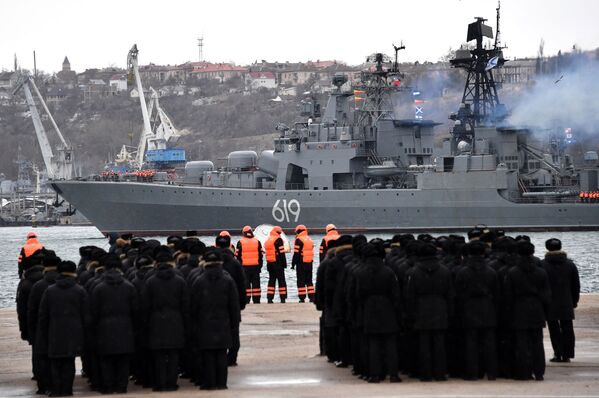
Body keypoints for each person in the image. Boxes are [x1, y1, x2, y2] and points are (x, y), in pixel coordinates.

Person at [38, 260, 89, 397]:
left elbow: (43, 316)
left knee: (55, 362)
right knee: (69, 362)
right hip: (74, 331)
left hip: (54, 331)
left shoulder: (50, 291)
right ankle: (67, 390)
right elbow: (86, 315)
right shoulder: (80, 290)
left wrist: (42, 334)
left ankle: (56, 390)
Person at [191, 249, 240, 390]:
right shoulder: (228, 280)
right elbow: (234, 305)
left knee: (208, 355)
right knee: (221, 354)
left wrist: (194, 325)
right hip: (223, 322)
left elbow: (194, 305)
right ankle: (222, 383)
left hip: (205, 322)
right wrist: (234, 324)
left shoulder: (199, 281)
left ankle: (209, 383)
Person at [142, 247, 189, 392]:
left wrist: (145, 324)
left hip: (156, 321)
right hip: (175, 320)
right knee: (174, 355)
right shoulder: (180, 281)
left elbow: (145, 306)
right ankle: (171, 383)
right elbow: (186, 305)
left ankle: (160, 383)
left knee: (159, 355)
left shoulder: (150, 281)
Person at [90, 254, 138, 394]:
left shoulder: (98, 287)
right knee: (123, 361)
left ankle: (108, 386)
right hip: (125, 328)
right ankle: (122, 387)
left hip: (104, 328)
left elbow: (94, 311)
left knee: (106, 360)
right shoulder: (129, 286)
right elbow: (135, 310)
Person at [406, 242, 454, 381]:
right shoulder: (445, 271)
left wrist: (411, 314)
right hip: (440, 307)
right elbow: (450, 294)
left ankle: (425, 373)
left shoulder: (413, 272)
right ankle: (440, 373)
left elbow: (410, 295)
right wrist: (450, 312)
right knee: (439, 344)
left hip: (421, 309)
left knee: (424, 344)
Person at [504, 241, 551, 381]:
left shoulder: (512, 272)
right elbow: (547, 295)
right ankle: (539, 372)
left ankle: (523, 372)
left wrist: (509, 312)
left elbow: (508, 296)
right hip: (536, 308)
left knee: (521, 344)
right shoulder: (541, 272)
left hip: (519, 309)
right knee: (538, 343)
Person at [355, 243, 401, 383]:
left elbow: (358, 295)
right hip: (387, 309)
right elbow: (395, 295)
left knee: (373, 344)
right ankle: (393, 374)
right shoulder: (388, 272)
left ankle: (374, 374)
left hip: (369, 309)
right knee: (390, 344)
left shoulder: (361, 272)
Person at [455, 241, 499, 380]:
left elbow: (458, 293)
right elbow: (497, 294)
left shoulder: (462, 272)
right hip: (488, 308)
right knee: (489, 343)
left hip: (469, 309)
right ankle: (491, 372)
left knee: (471, 343)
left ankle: (472, 373)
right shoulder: (491, 271)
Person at [26, 253, 61, 395]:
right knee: (63, 359)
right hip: (63, 326)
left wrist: (29, 329)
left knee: (43, 358)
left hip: (43, 326)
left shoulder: (36, 285)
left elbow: (31, 310)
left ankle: (45, 386)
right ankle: (64, 387)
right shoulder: (65, 283)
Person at [541, 238, 580, 363]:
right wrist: (574, 300)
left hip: (549, 301)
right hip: (566, 300)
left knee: (554, 329)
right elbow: (576, 285)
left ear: (547, 248)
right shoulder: (570, 264)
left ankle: (558, 353)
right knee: (568, 327)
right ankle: (567, 354)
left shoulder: (542, 264)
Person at [216, 235, 246, 366]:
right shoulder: (235, 263)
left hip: (215, 304)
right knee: (234, 331)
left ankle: (217, 356)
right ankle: (232, 358)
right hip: (233, 304)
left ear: (216, 245)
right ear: (230, 246)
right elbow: (242, 284)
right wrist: (242, 303)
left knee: (215, 331)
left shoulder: (212, 263)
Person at [236, 226, 263, 304]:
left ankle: (246, 300)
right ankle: (257, 300)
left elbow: (237, 255)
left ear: (244, 233)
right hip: (255, 267)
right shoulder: (257, 241)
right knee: (256, 285)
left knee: (246, 285)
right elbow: (261, 255)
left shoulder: (240, 242)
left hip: (245, 267)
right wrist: (260, 266)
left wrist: (239, 267)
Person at [264, 226, 288, 303]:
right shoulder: (278, 239)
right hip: (278, 263)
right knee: (281, 281)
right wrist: (284, 264)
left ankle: (269, 298)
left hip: (270, 263)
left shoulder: (268, 240)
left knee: (271, 280)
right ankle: (283, 298)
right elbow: (281, 253)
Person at [292, 225, 315, 303]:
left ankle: (302, 298)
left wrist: (293, 264)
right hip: (309, 263)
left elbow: (296, 253)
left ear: (299, 231)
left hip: (301, 263)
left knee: (301, 281)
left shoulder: (298, 240)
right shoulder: (309, 239)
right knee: (309, 281)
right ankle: (312, 297)